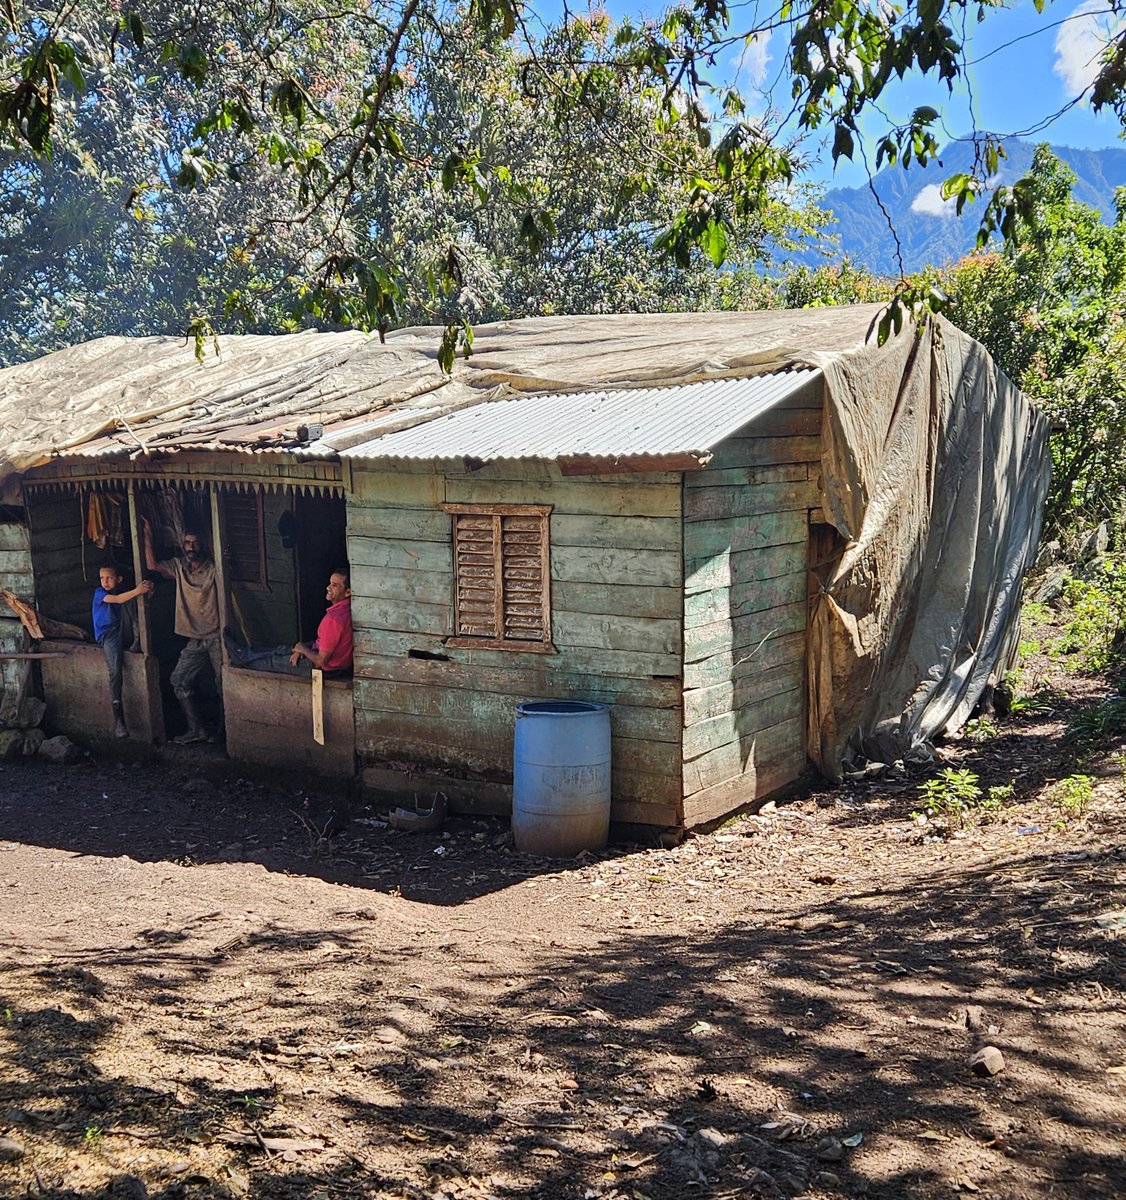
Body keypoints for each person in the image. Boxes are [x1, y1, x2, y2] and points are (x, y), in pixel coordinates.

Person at [143, 521, 222, 744]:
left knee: (224, 685)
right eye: (187, 543)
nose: (191, 547)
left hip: (216, 636)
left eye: (195, 543)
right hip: (195, 638)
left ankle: (224, 732)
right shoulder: (179, 566)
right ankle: (197, 730)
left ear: (203, 545)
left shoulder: (214, 569)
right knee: (179, 679)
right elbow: (152, 565)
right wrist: (147, 535)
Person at [226, 569, 353, 678]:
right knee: (281, 650)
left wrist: (303, 649)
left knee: (272, 662)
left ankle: (241, 659)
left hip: (321, 668)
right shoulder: (346, 611)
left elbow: (321, 661)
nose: (328, 588)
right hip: (327, 661)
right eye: (330, 583)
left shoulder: (334, 620)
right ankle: (242, 653)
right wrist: (302, 648)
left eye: (335, 585)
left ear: (348, 592)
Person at [92, 565, 154, 738]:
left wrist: (146, 591)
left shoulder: (122, 592)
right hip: (108, 635)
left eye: (109, 578)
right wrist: (138, 590)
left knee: (132, 599)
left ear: (118, 579)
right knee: (115, 671)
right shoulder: (99, 593)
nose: (105, 581)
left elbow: (127, 599)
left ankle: (137, 640)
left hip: (121, 630)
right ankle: (118, 718)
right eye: (102, 578)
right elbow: (118, 600)